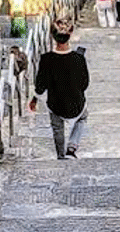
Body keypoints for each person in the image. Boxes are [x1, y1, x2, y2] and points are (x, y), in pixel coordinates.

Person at [29, 18, 89, 159]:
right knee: (83, 117)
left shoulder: (46, 59)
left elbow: (40, 85)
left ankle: (60, 155)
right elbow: (85, 83)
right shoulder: (79, 58)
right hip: (76, 103)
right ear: (71, 33)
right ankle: (72, 146)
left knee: (57, 127)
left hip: (56, 103)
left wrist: (34, 100)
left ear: (52, 35)